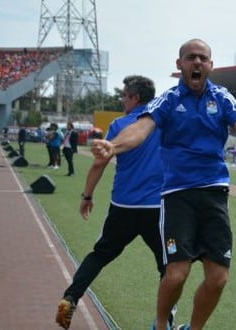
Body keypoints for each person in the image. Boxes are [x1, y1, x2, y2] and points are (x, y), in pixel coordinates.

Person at [90, 39, 236, 330]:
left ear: (211, 65)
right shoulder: (167, 100)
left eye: (203, 58)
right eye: (191, 57)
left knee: (218, 278)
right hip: (178, 195)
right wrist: (113, 147)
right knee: (177, 274)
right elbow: (141, 128)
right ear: (179, 65)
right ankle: (160, 325)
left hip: (215, 194)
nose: (197, 62)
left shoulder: (222, 97)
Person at [56, 76, 175, 329]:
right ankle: (165, 321)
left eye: (124, 95)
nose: (121, 100)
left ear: (135, 98)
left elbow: (99, 163)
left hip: (123, 207)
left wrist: (87, 196)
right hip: (158, 209)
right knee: (169, 266)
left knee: (99, 255)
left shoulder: (120, 125)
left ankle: (70, 298)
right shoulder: (163, 123)